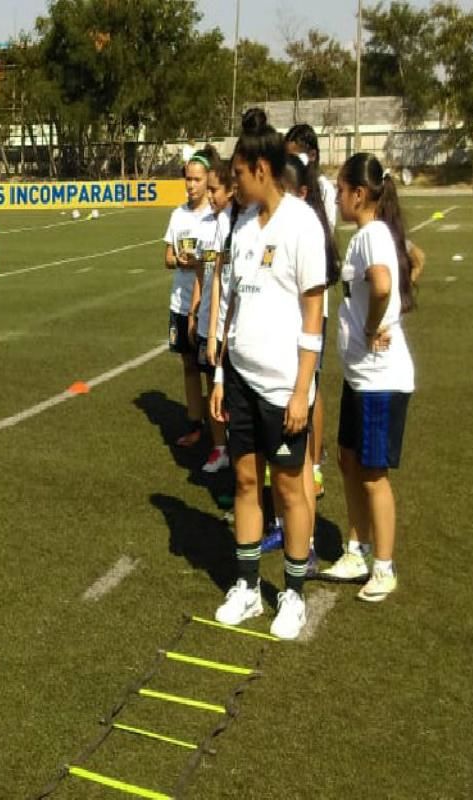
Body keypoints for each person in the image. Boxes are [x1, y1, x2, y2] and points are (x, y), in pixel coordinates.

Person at [210, 109, 327, 640]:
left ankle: (295, 594)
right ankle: (248, 587)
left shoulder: (301, 223)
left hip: (284, 387)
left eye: (237, 173)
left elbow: (312, 317)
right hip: (238, 376)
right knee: (243, 480)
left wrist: (303, 390)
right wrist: (217, 375)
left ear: (261, 168)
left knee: (289, 489)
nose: (232, 183)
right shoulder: (239, 222)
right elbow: (231, 302)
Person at [320, 153, 417, 603]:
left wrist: (374, 323)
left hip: (380, 378)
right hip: (361, 376)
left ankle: (384, 564)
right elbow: (416, 260)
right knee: (348, 459)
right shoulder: (376, 234)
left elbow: (381, 284)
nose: (336, 196)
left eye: (340, 189)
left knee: (373, 473)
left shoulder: (371, 235)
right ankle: (356, 551)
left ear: (359, 194)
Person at [285, 123, 337, 496]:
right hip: (287, 305)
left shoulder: (325, 192)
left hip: (313, 304)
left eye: (296, 153)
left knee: (311, 385)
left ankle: (313, 464)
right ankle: (290, 459)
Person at [165, 153, 213, 447]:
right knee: (188, 365)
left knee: (209, 367)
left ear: (208, 180)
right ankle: (196, 424)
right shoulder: (178, 215)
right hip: (180, 302)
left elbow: (218, 259)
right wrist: (180, 261)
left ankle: (219, 428)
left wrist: (200, 261)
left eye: (197, 179)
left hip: (206, 304)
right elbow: (167, 257)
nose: (191, 185)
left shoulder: (215, 216)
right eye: (188, 178)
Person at [202, 155, 238, 473]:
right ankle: (222, 453)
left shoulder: (236, 222)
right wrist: (211, 329)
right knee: (218, 397)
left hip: (236, 331)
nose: (209, 195)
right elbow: (217, 276)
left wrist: (221, 332)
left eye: (214, 189)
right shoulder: (220, 222)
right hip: (221, 326)